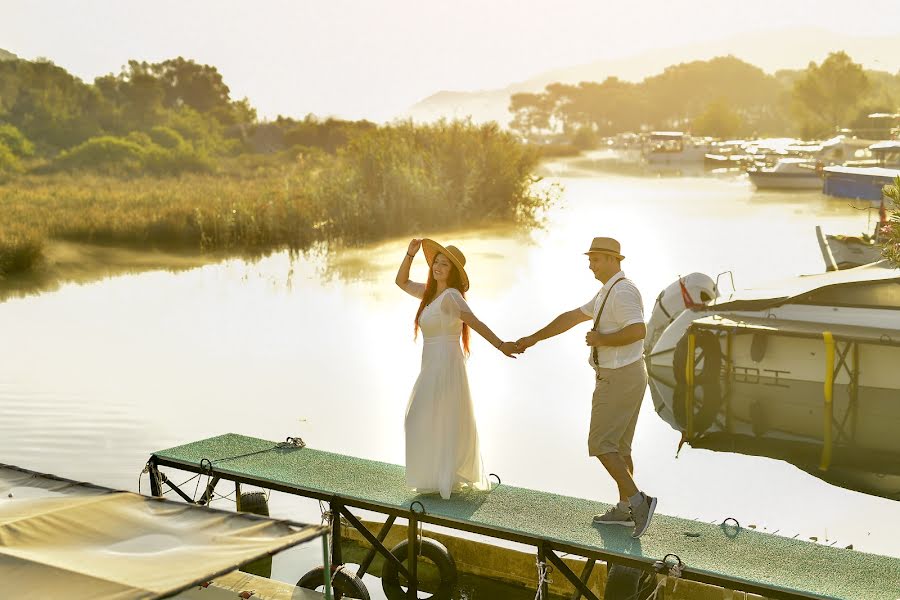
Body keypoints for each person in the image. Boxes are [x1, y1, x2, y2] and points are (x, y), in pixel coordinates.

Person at [515, 237, 655, 538]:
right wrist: (532, 339)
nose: (590, 265)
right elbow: (571, 318)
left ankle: (640, 502)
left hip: (619, 377)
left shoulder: (623, 292)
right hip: (625, 375)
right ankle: (625, 509)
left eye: (595, 259)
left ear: (612, 259)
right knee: (619, 447)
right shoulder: (608, 291)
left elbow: (638, 330)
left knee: (601, 445)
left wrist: (603, 340)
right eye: (590, 259)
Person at [395, 238, 518, 499]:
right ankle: (435, 478)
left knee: (421, 416)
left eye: (444, 265)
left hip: (445, 362)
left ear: (453, 272)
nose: (438, 267)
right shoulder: (430, 293)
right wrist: (410, 254)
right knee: (427, 417)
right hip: (432, 362)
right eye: (436, 262)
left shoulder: (451, 296)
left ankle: (445, 478)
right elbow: (401, 282)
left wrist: (501, 345)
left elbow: (474, 321)